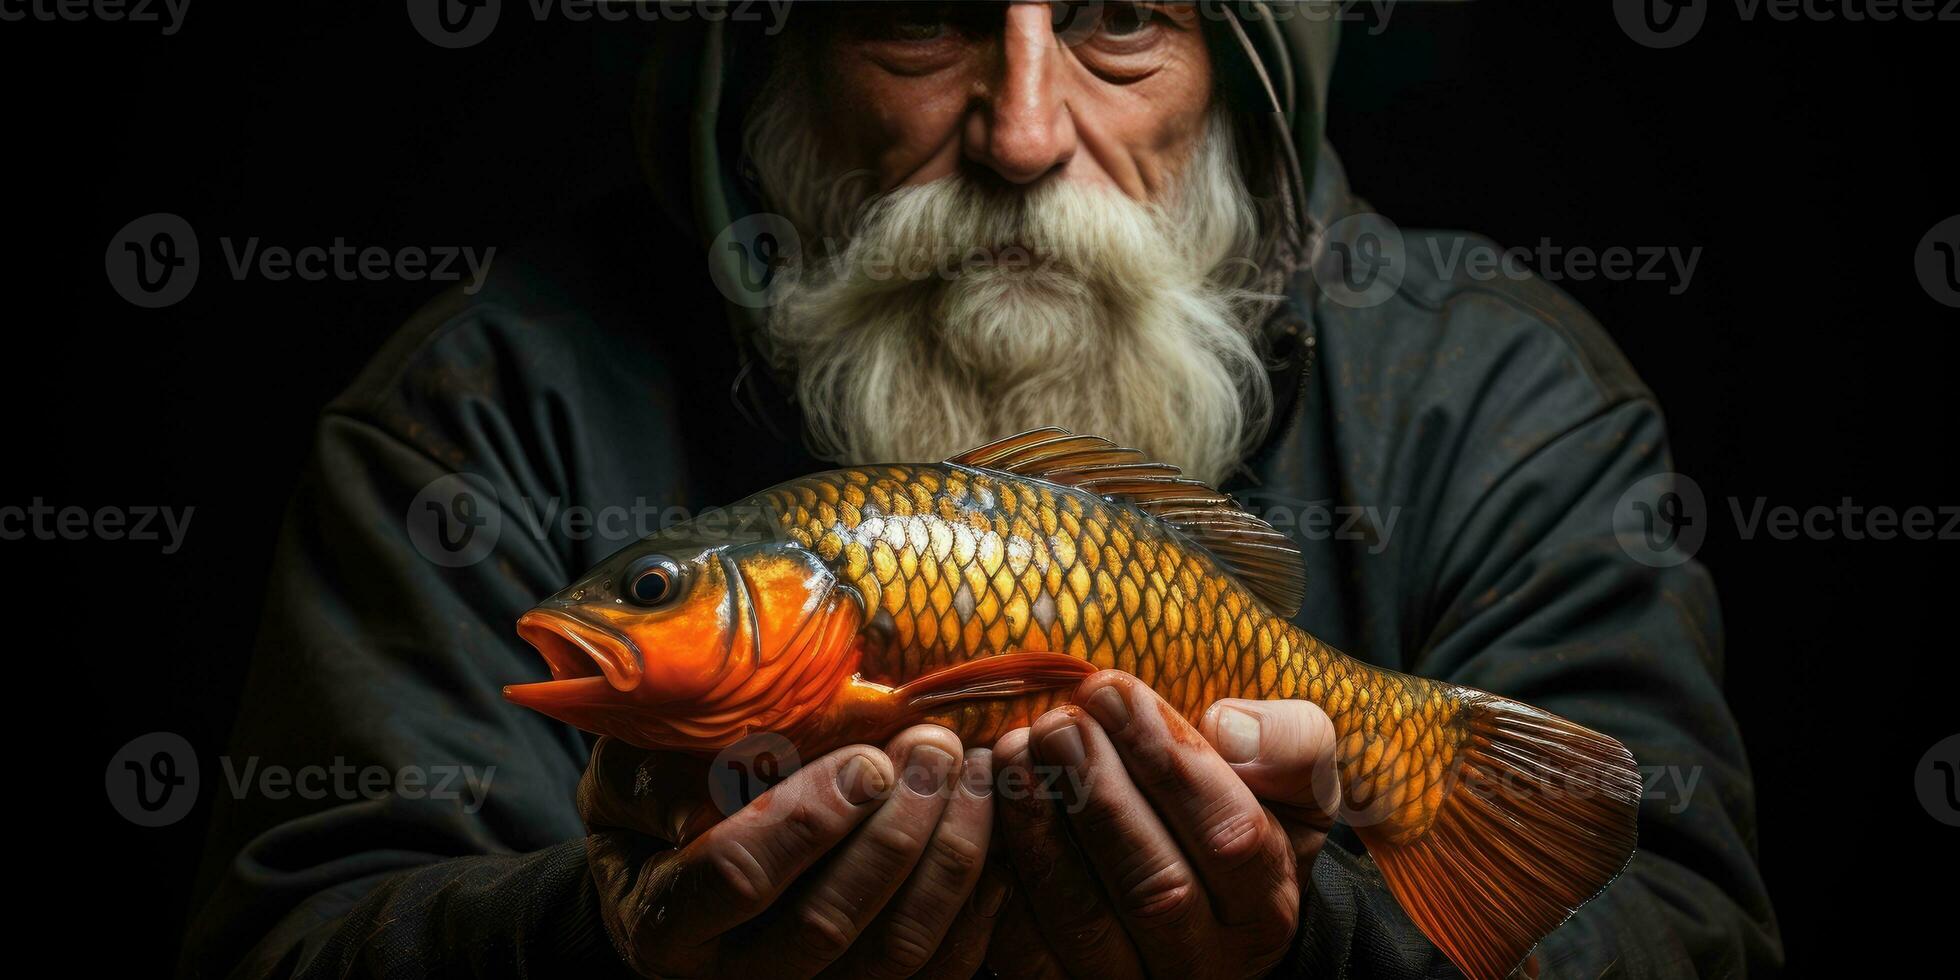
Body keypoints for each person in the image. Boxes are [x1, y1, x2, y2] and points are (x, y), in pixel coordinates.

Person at [182, 4, 1781, 977]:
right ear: (779, 65)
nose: (1023, 132)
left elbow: (1687, 940)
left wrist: (1316, 946)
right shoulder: (479, 407)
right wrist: (599, 949)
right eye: (918, 20)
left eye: (1123, 20)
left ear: (1243, 82)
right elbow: (296, 940)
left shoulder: (1500, 390)